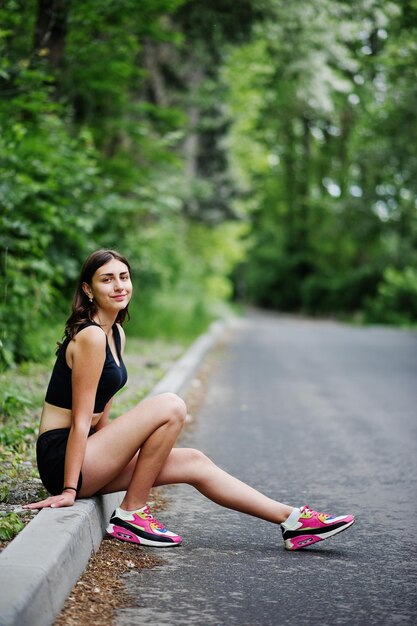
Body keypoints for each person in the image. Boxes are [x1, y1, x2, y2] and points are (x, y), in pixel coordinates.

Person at [25, 249, 355, 550]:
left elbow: (103, 415)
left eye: (123, 277)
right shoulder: (91, 336)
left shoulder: (114, 333)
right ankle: (132, 513)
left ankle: (292, 521)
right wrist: (69, 490)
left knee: (194, 461)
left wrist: (125, 452)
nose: (118, 286)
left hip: (89, 455)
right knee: (171, 405)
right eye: (107, 279)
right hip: (63, 457)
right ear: (88, 289)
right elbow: (82, 420)